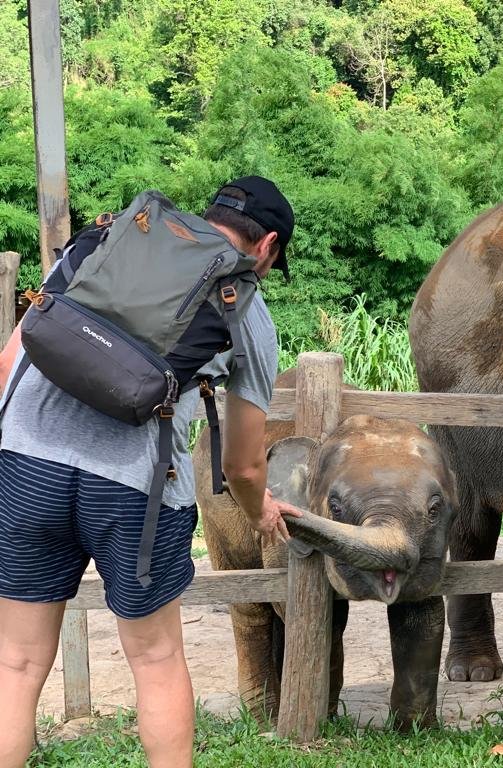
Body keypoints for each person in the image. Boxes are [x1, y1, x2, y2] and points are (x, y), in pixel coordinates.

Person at [0, 176, 302, 768]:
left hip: (28, 465)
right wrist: (260, 511)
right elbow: (242, 463)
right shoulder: (245, 305)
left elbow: (11, 361)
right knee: (155, 659)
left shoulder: (112, 237)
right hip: (135, 490)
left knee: (16, 661)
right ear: (267, 245)